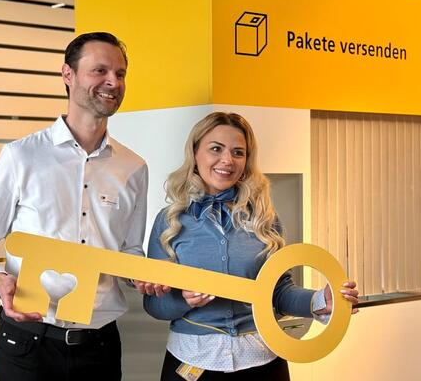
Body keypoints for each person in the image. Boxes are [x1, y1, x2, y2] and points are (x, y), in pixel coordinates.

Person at [0, 32, 148, 381]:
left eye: (120, 74)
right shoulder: (21, 156)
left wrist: (144, 277)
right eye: (100, 71)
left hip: (99, 346)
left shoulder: (134, 167)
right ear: (67, 74)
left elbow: (129, 251)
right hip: (28, 344)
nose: (113, 82)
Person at [143, 112, 359, 380]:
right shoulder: (169, 221)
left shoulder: (264, 218)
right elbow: (154, 304)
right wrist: (183, 299)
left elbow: (278, 292)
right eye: (215, 149)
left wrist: (319, 301)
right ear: (195, 153)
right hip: (192, 359)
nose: (227, 160)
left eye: (238, 152)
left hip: (262, 360)